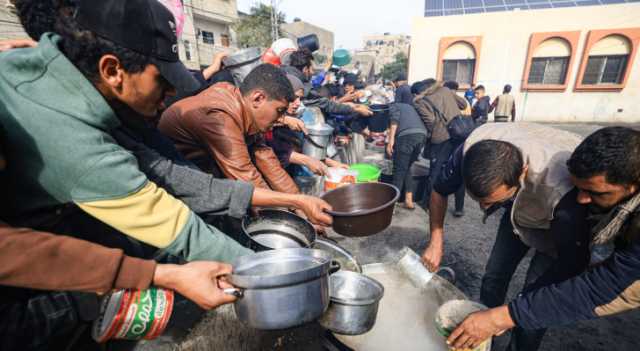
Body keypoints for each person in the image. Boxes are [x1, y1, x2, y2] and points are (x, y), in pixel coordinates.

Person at [0, 0, 252, 264]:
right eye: (162, 81)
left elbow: (163, 171)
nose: (172, 93)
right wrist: (270, 270)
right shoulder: (72, 139)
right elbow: (180, 230)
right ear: (112, 71)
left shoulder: (61, 78)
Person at [447, 127, 640, 350]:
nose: (582, 199)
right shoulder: (488, 151)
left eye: (596, 192)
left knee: (536, 301)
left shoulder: (571, 210)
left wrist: (507, 315)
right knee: (499, 279)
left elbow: (601, 284)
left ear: (633, 184)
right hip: (527, 217)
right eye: (577, 188)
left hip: (561, 234)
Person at [422, 123, 591, 351]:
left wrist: (510, 315)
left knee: (534, 299)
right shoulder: (470, 149)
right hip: (518, 214)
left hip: (553, 227)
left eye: (491, 202)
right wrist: (436, 240)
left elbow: (570, 264)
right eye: (478, 200)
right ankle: (481, 333)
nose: (483, 207)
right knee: (494, 276)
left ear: (521, 173)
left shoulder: (565, 195)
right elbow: (439, 190)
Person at [158, 64, 306, 196]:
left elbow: (266, 158)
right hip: (173, 184)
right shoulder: (219, 116)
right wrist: (288, 212)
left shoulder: (246, 111)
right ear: (258, 98)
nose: (281, 118)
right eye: (279, 111)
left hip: (202, 174)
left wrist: (299, 202)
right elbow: (246, 177)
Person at [413, 79, 468, 216]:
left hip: (441, 139)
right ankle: (459, 208)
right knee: (458, 170)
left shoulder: (420, 101)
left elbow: (430, 121)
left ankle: (428, 204)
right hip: (460, 134)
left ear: (419, 91)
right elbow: (463, 104)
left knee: (435, 172)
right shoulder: (445, 90)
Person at [386, 103, 428, 210]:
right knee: (406, 167)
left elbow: (394, 121)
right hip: (422, 136)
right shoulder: (409, 107)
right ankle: (409, 200)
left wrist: (390, 142)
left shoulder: (393, 106)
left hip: (406, 137)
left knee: (399, 171)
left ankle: (392, 206)